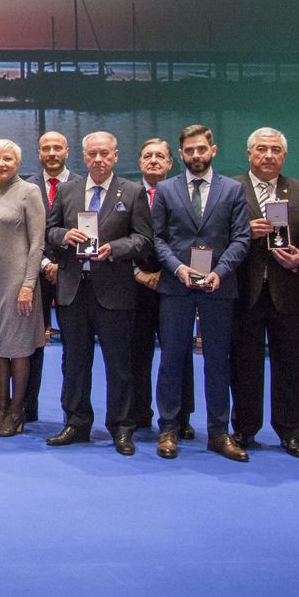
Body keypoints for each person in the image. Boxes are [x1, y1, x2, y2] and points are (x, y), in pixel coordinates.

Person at [44, 131, 154, 454]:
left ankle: (121, 427)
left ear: (116, 156)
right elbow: (49, 232)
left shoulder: (132, 193)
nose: (98, 160)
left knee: (118, 364)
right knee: (74, 361)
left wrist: (115, 248)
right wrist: (66, 235)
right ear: (83, 156)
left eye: (105, 153)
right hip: (73, 290)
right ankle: (76, 423)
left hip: (114, 291)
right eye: (92, 154)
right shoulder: (67, 190)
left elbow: (144, 240)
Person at [151, 124, 250, 462]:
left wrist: (220, 272)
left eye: (201, 149)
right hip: (176, 286)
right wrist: (178, 268)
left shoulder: (233, 189)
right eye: (189, 151)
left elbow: (241, 238)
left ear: (213, 150)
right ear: (180, 154)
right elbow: (158, 239)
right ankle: (168, 429)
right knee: (171, 361)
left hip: (218, 288)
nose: (196, 156)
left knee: (218, 363)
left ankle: (219, 433)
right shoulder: (166, 189)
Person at [230, 127, 299, 457]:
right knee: (244, 365)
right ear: (249, 154)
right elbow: (214, 235)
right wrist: (244, 231)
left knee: (290, 364)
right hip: (244, 292)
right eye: (261, 149)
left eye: (275, 150)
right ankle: (244, 428)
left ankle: (290, 432)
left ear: (284, 156)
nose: (268, 155)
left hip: (291, 291)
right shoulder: (230, 190)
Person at [0, 139, 47, 436]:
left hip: (19, 282)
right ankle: (2, 407)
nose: (2, 163)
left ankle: (17, 409)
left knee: (18, 349)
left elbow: (37, 244)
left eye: (8, 159)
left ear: (18, 163)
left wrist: (29, 284)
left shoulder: (29, 192)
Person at [128, 138, 192, 437]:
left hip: (176, 286)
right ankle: (139, 413)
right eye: (147, 156)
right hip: (136, 288)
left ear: (170, 163)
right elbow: (116, 237)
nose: (154, 160)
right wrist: (138, 273)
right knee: (136, 354)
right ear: (140, 162)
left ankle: (181, 418)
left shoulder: (185, 194)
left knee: (178, 354)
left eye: (160, 156)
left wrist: (168, 275)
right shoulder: (127, 194)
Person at [27, 130, 72, 423]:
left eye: (57, 148)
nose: (52, 153)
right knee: (31, 345)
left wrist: (62, 266)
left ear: (66, 151)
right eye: (46, 148)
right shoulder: (26, 186)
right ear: (39, 152)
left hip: (73, 275)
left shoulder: (84, 186)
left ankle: (73, 414)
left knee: (74, 347)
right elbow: (24, 234)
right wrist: (44, 264)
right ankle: (27, 410)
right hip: (34, 273)